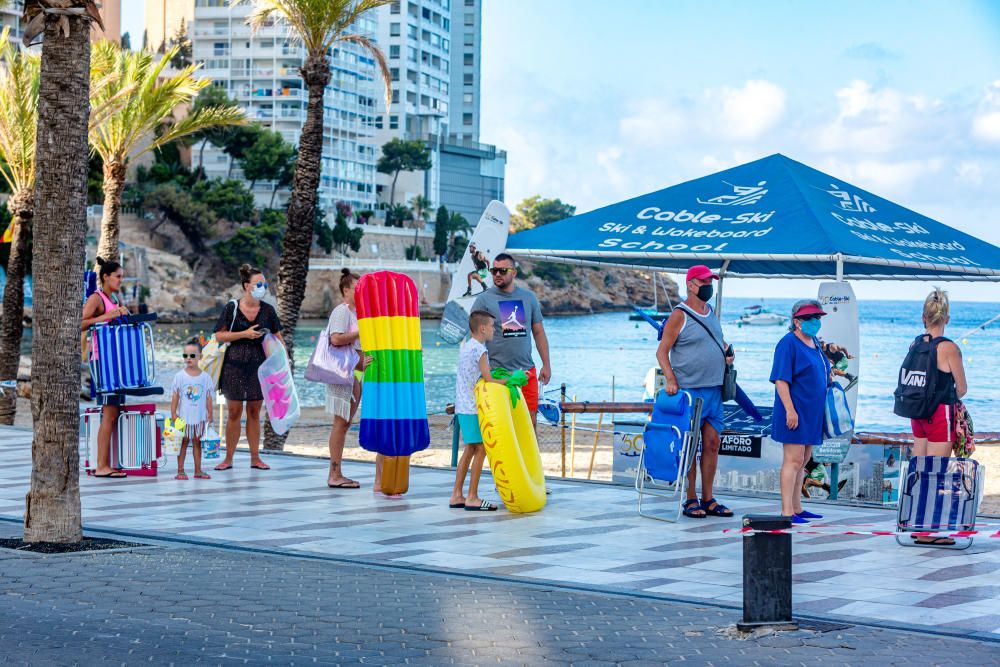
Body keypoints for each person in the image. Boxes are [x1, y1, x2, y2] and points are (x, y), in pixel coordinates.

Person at [655, 265, 734, 519]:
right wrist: (670, 379)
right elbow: (661, 351)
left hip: (714, 390)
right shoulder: (680, 314)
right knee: (689, 445)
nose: (708, 285)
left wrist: (726, 353)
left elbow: (715, 341)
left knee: (712, 444)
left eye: (710, 281)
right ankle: (690, 498)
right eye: (704, 281)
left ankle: (708, 498)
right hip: (690, 392)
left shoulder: (711, 312)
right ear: (690, 284)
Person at [905, 288, 969, 545]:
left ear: (923, 318)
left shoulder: (916, 343)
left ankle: (915, 524)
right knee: (937, 472)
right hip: (940, 414)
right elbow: (962, 388)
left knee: (920, 469)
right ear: (947, 319)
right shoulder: (949, 348)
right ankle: (928, 532)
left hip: (917, 413)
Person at [212, 264, 284, 471]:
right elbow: (218, 335)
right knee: (234, 412)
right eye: (258, 283)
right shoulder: (231, 308)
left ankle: (255, 458)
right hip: (234, 365)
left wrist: (283, 362)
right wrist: (244, 334)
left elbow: (278, 338)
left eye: (265, 283)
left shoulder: (268, 310)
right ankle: (228, 459)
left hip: (259, 367)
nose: (263, 287)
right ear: (246, 286)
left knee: (254, 411)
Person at [770, 299, 831, 524]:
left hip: (812, 413)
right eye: (809, 318)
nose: (815, 321)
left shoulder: (814, 342)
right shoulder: (787, 344)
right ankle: (787, 511)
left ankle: (797, 507)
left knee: (803, 460)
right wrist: (790, 410)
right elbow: (780, 379)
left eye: (817, 318)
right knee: (793, 460)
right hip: (795, 411)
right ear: (796, 321)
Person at [471, 253, 551, 426]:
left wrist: (546, 364)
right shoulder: (484, 300)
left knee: (530, 422)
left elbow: (538, 332)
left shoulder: (528, 298)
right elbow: (474, 340)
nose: (497, 274)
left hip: (526, 373)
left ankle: (530, 454)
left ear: (514, 272)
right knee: (501, 425)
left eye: (502, 270)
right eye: (494, 271)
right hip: (497, 375)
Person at [449, 310, 508, 511]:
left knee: (470, 448)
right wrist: (511, 380)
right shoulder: (480, 350)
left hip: (462, 406)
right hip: (473, 407)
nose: (493, 329)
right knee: (481, 447)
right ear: (483, 328)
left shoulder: (466, 347)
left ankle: (457, 494)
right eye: (492, 326)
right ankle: (472, 496)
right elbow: (489, 379)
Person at [81, 256, 131, 478]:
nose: (121, 280)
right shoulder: (97, 298)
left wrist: (122, 313)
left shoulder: (114, 299)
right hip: (103, 361)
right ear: (105, 277)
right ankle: (101, 466)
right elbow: (79, 323)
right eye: (118, 276)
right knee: (109, 413)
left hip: (116, 360)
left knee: (113, 412)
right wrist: (105, 316)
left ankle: (107, 463)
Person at [323, 269, 372, 490]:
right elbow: (335, 338)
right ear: (346, 290)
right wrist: (360, 331)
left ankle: (337, 472)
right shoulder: (342, 312)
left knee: (344, 423)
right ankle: (334, 473)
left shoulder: (356, 312)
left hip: (354, 373)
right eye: (357, 288)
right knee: (341, 423)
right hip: (344, 374)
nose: (362, 291)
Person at [170, 341, 215, 480]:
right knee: (182, 443)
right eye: (185, 355)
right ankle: (180, 470)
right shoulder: (180, 376)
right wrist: (173, 413)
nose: (188, 358)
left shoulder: (205, 377)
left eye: (192, 355)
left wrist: (210, 413)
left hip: (199, 418)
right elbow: (175, 395)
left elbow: (208, 398)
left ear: (200, 357)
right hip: (183, 418)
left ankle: (198, 470)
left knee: (197, 442)